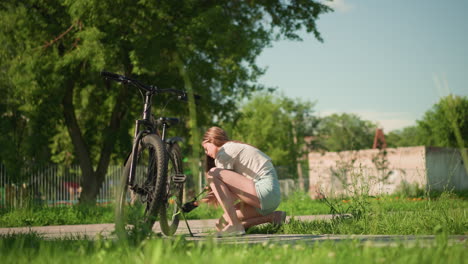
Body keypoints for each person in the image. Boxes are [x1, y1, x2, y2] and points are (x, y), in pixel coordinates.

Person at [200, 126, 286, 236]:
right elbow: (231, 192)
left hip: (264, 191)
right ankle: (272, 217)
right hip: (269, 198)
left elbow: (227, 192)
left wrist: (209, 195)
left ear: (211, 140)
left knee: (213, 173)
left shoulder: (224, 152)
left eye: (206, 149)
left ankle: (235, 225)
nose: (207, 153)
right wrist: (202, 200)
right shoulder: (234, 148)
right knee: (220, 224)